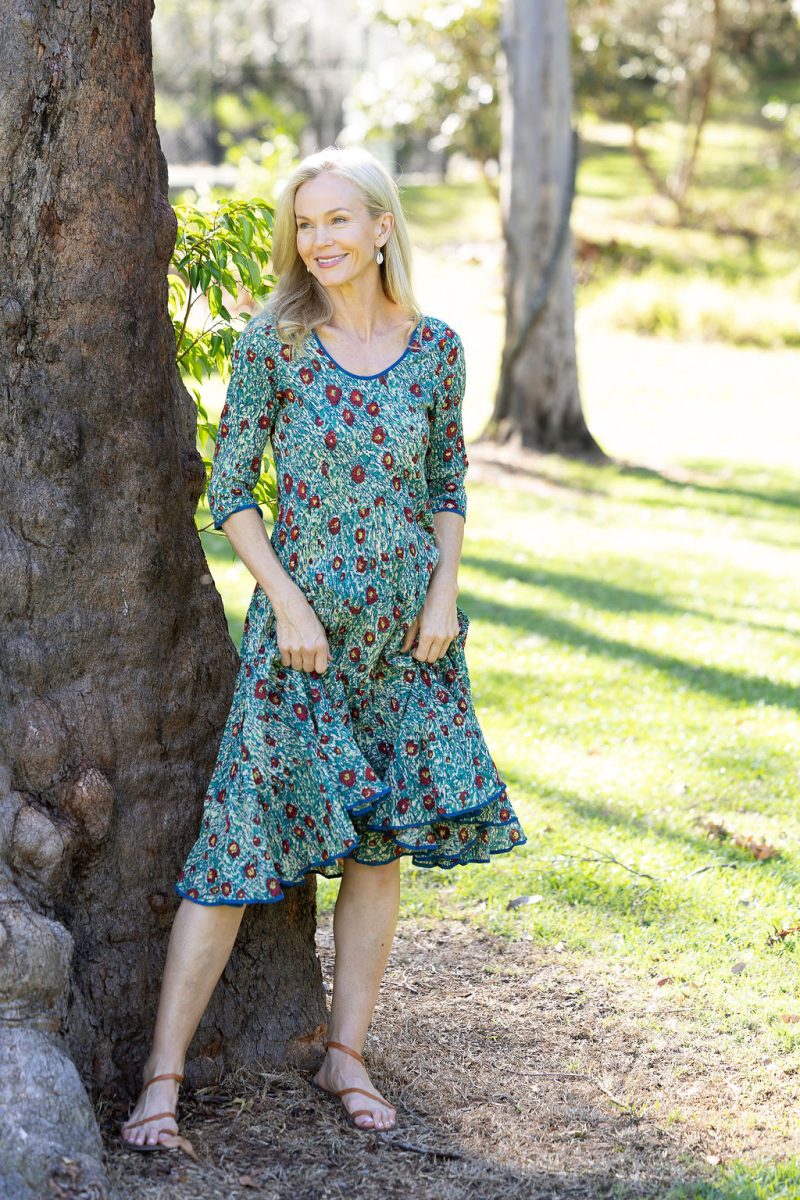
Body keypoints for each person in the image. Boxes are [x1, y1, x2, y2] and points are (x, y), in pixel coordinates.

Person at [119, 144, 527, 1151]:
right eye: (305, 224)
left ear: (382, 227)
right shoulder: (275, 344)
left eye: (338, 219)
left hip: (406, 641)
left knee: (376, 850)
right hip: (298, 646)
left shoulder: (435, 348)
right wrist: (288, 605)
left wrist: (444, 591)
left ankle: (346, 1054)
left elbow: (445, 484)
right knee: (236, 844)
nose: (319, 240)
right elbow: (231, 492)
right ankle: (160, 1082)